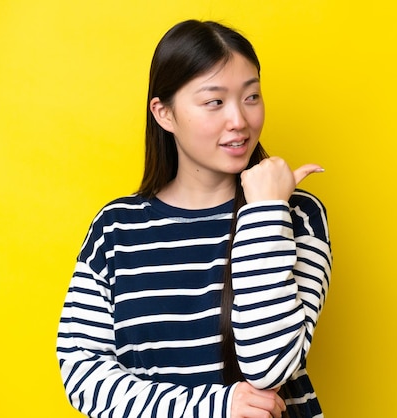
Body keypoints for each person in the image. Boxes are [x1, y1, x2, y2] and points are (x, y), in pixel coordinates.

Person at [56, 19, 332, 418]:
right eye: (215, 102)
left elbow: (268, 365)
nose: (239, 120)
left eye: (251, 96)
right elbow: (83, 373)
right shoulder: (115, 229)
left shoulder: (296, 216)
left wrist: (266, 212)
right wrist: (216, 407)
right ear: (164, 113)